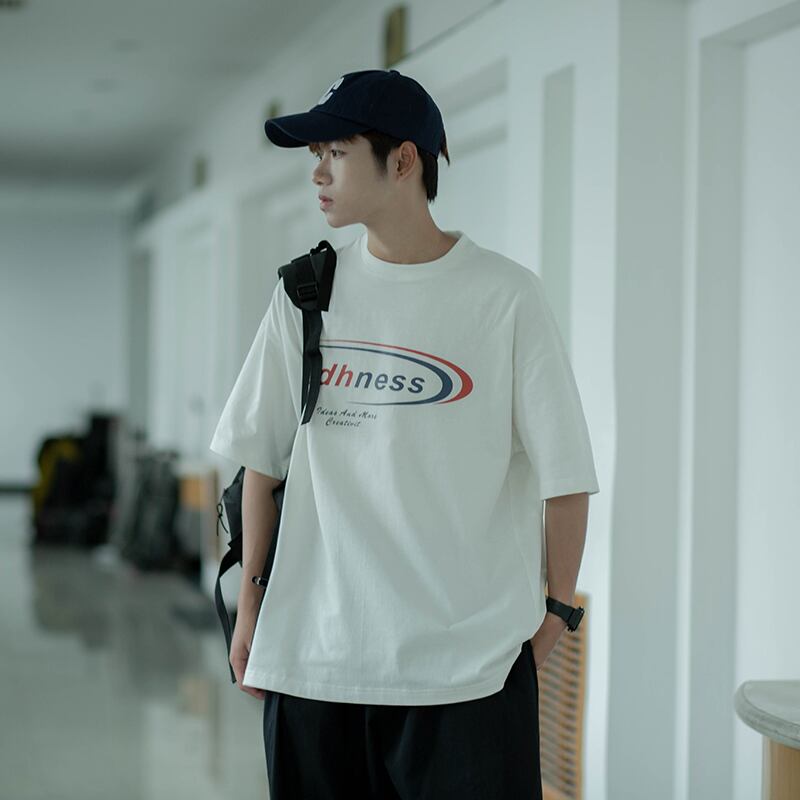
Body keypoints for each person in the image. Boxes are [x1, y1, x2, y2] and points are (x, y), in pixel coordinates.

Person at [209, 68, 600, 800]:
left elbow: (566, 475)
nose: (318, 173)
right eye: (315, 155)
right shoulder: (306, 294)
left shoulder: (505, 297)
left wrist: (557, 612)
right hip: (316, 664)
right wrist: (251, 608)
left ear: (403, 160)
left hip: (467, 676)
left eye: (336, 152)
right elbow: (261, 463)